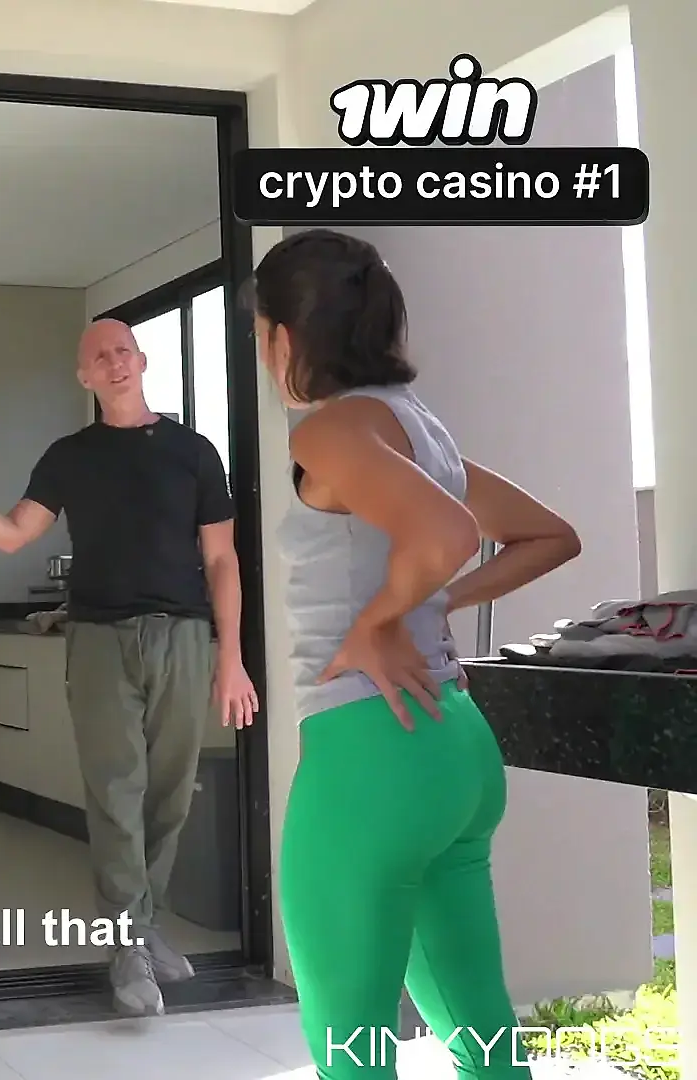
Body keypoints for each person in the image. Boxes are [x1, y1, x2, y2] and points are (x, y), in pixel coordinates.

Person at [251, 229, 580, 1078]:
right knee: (483, 1042)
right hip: (456, 750)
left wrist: (381, 621)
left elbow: (448, 533)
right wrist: (429, 604)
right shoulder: (417, 429)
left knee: (351, 1047)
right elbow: (550, 536)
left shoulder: (327, 433)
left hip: (373, 752)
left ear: (284, 338)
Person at [0, 318, 258, 1015]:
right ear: (85, 376)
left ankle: (143, 926)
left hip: (185, 638)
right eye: (100, 356)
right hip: (99, 638)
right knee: (116, 790)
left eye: (122, 350)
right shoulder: (70, 456)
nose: (114, 361)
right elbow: (16, 532)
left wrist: (233, 658)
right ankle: (127, 944)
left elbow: (222, 559)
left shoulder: (194, 453)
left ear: (142, 360)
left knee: (169, 793)